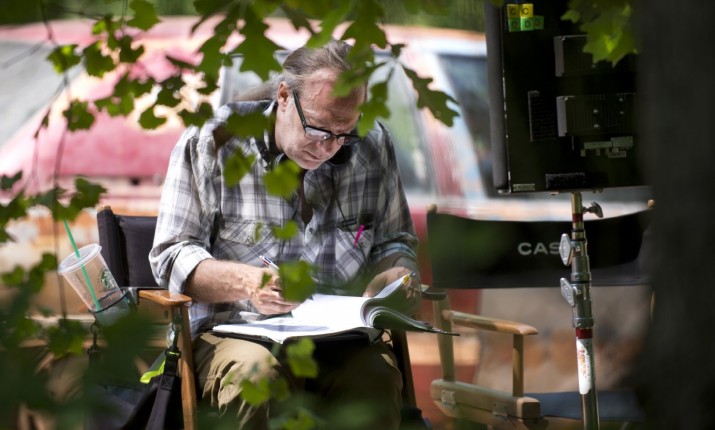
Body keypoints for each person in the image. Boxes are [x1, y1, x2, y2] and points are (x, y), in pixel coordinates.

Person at [149, 38, 421, 429]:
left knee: (375, 379)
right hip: (236, 334)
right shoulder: (213, 141)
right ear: (283, 97)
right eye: (318, 128)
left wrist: (396, 271)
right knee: (258, 379)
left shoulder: (371, 145)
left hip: (342, 339)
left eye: (343, 132)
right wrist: (249, 282)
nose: (328, 147)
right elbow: (172, 255)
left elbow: (395, 240)